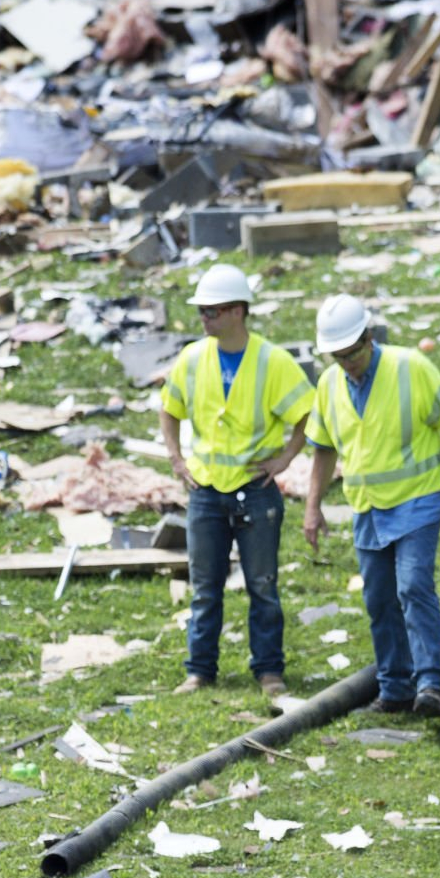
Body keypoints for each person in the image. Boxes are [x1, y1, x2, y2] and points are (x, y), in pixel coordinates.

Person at [302, 295, 440, 718]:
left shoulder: (410, 367)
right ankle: (394, 688)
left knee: (413, 586)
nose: (347, 363)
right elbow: (323, 450)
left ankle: (430, 683)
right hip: (367, 506)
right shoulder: (329, 384)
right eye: (338, 356)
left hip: (417, 499)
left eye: (352, 353)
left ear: (369, 338)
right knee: (379, 598)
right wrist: (312, 507)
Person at [160, 264, 314, 697]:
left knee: (262, 585)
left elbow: (307, 414)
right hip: (206, 489)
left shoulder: (272, 361)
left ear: (236, 312)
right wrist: (177, 459)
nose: (204, 319)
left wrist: (284, 459)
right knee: (205, 586)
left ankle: (269, 670)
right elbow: (169, 408)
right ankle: (200, 670)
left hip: (255, 490)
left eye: (211, 311)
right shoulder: (192, 358)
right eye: (202, 312)